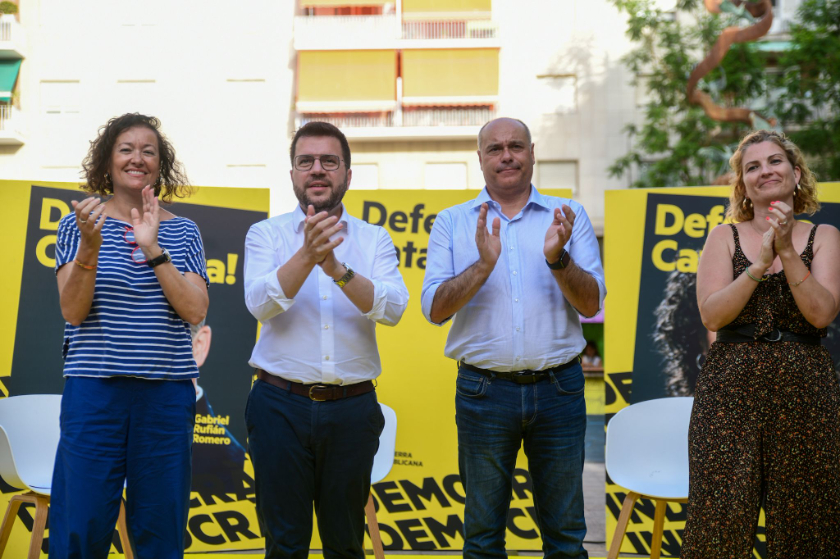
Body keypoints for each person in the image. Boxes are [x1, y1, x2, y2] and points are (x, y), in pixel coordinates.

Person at [421, 117, 606, 559]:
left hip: (559, 390)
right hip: (482, 392)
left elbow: (590, 302)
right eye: (495, 148)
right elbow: (435, 309)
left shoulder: (569, 215)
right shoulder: (452, 223)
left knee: (565, 535)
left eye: (516, 146)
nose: (506, 156)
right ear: (480, 158)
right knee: (483, 536)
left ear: (532, 153)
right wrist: (483, 266)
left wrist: (558, 259)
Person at [243, 121, 408, 558]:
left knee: (345, 543)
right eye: (306, 162)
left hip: (352, 410)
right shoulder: (266, 234)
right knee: (285, 544)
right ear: (294, 174)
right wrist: (308, 254)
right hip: (278, 406)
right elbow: (260, 305)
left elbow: (393, 309)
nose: (317, 170)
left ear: (347, 175)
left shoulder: (374, 239)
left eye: (329, 161)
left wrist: (337, 270)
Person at [51, 113, 209, 558]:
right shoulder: (78, 224)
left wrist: (152, 247)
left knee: (160, 531)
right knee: (80, 525)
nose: (137, 158)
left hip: (165, 396)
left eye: (148, 151)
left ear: (161, 165)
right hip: (94, 393)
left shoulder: (182, 231)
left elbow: (195, 310)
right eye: (126, 149)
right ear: (107, 161)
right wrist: (90, 247)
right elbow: (72, 311)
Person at [682, 130, 840, 558]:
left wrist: (787, 251)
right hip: (729, 390)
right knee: (718, 519)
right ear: (743, 184)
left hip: (805, 389)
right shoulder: (723, 237)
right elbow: (713, 316)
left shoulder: (823, 236)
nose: (765, 171)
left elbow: (821, 314)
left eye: (775, 161)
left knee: (808, 519)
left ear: (796, 173)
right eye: (752, 166)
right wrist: (758, 264)